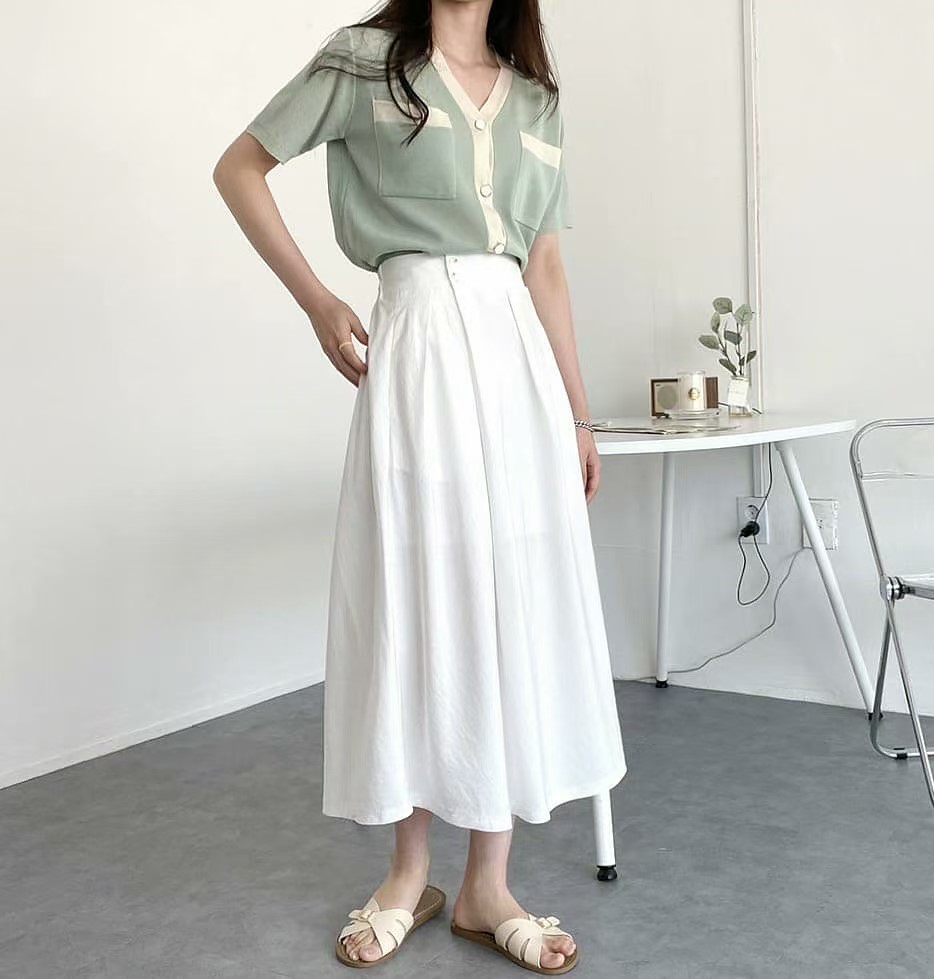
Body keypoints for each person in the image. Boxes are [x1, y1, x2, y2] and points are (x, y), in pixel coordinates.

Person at [213, 0, 626, 972]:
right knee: (414, 593)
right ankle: (408, 872)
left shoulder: (535, 99)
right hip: (417, 350)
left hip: (517, 366)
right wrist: (317, 301)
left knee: (506, 602)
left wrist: (577, 414)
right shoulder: (365, 62)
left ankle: (488, 885)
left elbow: (545, 264)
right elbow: (240, 168)